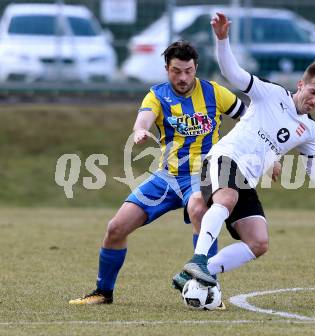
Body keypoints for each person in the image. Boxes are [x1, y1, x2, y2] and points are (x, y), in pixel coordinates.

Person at [178, 13, 315, 287]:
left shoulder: (309, 130)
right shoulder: (271, 93)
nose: (314, 100)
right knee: (225, 200)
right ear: (301, 84)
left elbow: (312, 165)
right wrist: (222, 40)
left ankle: (192, 276)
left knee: (259, 242)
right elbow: (233, 74)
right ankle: (199, 260)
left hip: (246, 180)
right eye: (312, 92)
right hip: (224, 158)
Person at [69, 40, 246, 305]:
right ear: (166, 69)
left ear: (196, 68)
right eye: (176, 71)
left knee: (199, 209)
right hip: (167, 177)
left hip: (203, 175)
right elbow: (143, 119)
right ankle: (103, 292)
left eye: (188, 70)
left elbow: (248, 117)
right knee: (116, 228)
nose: (183, 77)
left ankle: (209, 288)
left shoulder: (214, 92)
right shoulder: (157, 95)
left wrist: (259, 151)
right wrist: (140, 130)